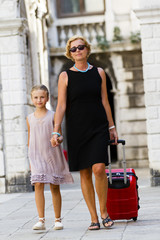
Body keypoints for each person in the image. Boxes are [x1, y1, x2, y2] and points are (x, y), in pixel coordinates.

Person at [50, 35, 118, 230]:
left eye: (81, 47)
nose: (78, 51)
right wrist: (56, 131)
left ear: (87, 49)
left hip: (98, 127)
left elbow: (105, 101)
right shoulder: (65, 76)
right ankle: (94, 217)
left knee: (98, 168)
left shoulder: (99, 73)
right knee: (85, 172)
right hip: (77, 129)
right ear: (69, 53)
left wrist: (111, 127)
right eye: (73, 49)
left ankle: (104, 212)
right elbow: (61, 105)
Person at [26, 85, 73, 231]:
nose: (39, 100)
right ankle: (41, 220)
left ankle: (57, 219)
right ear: (32, 99)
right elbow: (30, 138)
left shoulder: (53, 115)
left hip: (51, 155)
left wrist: (57, 140)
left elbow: (59, 135)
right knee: (38, 184)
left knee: (54, 186)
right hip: (35, 155)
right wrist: (29, 158)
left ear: (47, 98)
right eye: (36, 97)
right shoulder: (29, 118)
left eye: (42, 97)